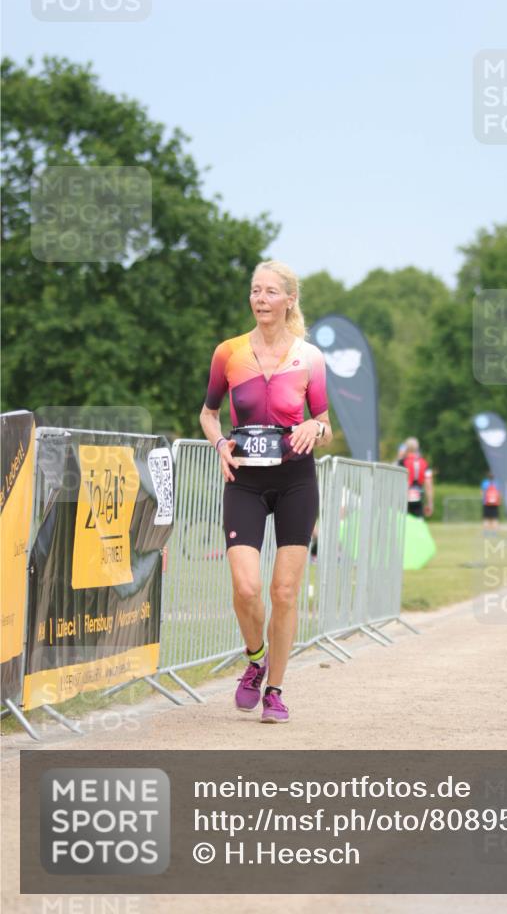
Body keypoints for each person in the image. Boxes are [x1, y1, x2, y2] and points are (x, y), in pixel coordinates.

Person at [199, 260, 332, 723]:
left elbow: (325, 424)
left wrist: (313, 427)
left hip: (296, 481)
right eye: (255, 291)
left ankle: (275, 689)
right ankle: (254, 660)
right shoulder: (228, 353)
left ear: (289, 299)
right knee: (246, 585)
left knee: (285, 590)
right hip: (245, 482)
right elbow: (209, 413)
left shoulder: (310, 358)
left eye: (271, 292)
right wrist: (219, 444)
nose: (260, 299)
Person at [399, 438, 433, 518]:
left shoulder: (401, 462)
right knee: (418, 522)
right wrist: (430, 503)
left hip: (404, 496)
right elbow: (428, 485)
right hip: (419, 495)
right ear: (417, 448)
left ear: (406, 448)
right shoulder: (424, 463)